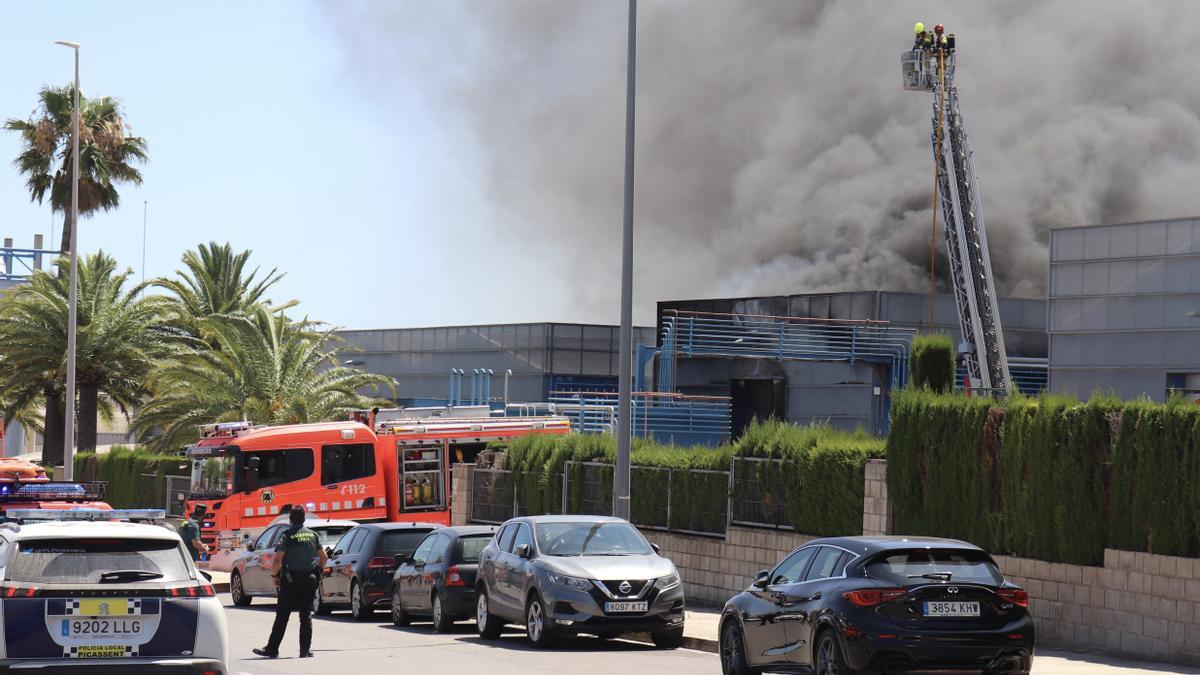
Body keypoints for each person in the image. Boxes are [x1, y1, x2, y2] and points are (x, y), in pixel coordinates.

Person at [253, 505, 327, 659]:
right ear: (304, 519)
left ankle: (272, 649)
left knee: (282, 616)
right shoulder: (312, 535)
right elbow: (324, 557)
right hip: (309, 579)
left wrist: (275, 577)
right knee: (305, 616)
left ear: (291, 519)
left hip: (291, 581)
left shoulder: (287, 535)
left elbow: (277, 560)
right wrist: (318, 571)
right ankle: (304, 651)